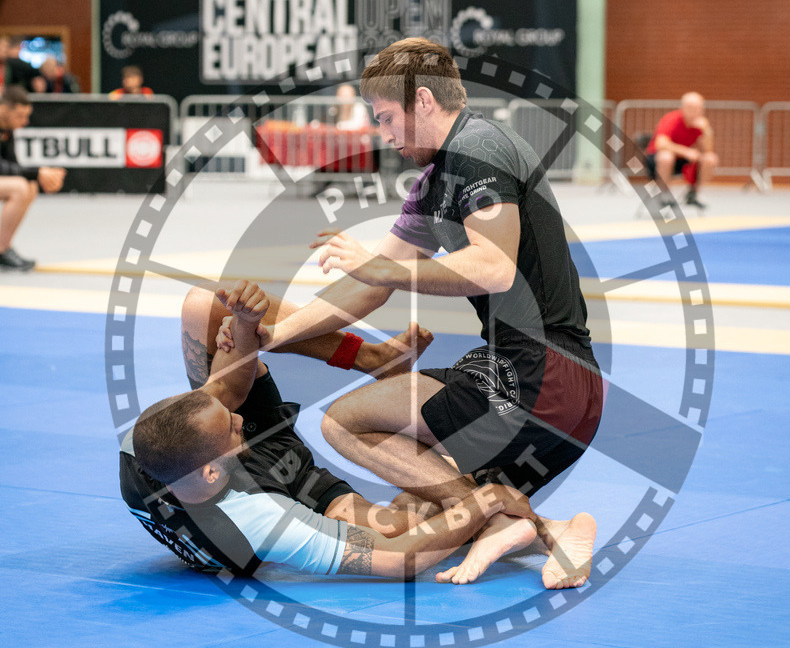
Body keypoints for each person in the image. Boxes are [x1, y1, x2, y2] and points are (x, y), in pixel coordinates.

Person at [228, 38, 600, 587]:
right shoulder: (433, 184)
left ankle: (500, 515)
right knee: (418, 511)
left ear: (423, 100)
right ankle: (555, 528)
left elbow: (493, 267)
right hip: (553, 390)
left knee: (344, 422)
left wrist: (386, 272)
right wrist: (278, 334)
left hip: (542, 377)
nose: (384, 135)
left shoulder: (478, 149)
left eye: (385, 118)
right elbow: (368, 287)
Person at [121, 279, 549, 583]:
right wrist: (484, 501)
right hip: (290, 492)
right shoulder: (262, 521)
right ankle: (485, 505)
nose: (238, 416)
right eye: (233, 428)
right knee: (394, 528)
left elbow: (228, 387)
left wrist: (248, 323)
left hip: (229, 467)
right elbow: (398, 562)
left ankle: (369, 358)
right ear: (213, 472)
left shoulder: (147, 442)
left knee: (206, 306)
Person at [0, 85, 65, 271]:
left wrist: (40, 178)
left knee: (29, 187)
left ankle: (3, 248)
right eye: (20, 115)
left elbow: (13, 165)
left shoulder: (6, 128)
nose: (25, 121)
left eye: (26, 116)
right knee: (20, 187)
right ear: (4, 109)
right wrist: (38, 173)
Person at [644, 92, 718, 210]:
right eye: (692, 108)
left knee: (710, 158)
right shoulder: (672, 119)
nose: (696, 111)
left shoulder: (700, 124)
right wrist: (686, 152)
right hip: (657, 161)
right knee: (666, 156)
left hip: (683, 162)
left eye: (699, 108)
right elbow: (661, 143)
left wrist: (707, 130)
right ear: (683, 108)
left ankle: (694, 193)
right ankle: (665, 194)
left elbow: (708, 150)